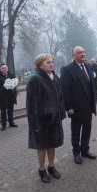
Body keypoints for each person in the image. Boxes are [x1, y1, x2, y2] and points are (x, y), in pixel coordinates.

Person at [26, 54, 65, 183]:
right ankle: (41, 170)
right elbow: (31, 104)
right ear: (40, 65)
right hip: (41, 120)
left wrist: (61, 113)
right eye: (48, 62)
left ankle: (52, 166)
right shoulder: (35, 80)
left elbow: (60, 98)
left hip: (54, 119)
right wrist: (34, 124)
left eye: (52, 62)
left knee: (52, 144)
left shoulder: (55, 78)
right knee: (41, 147)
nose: (51, 64)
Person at [60, 46, 97, 165]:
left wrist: (94, 100)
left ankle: (85, 150)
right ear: (73, 55)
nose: (82, 54)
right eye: (79, 52)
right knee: (76, 131)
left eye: (83, 52)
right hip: (75, 108)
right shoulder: (68, 69)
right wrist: (68, 107)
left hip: (88, 106)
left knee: (87, 130)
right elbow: (65, 90)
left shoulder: (88, 67)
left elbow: (92, 85)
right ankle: (76, 152)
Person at [0, 63, 18, 131]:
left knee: (10, 110)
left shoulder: (11, 75)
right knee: (3, 111)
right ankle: (3, 124)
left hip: (10, 96)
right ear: (0, 69)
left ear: (7, 68)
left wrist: (15, 94)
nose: (4, 69)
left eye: (6, 68)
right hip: (2, 97)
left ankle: (11, 122)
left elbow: (16, 85)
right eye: (3, 68)